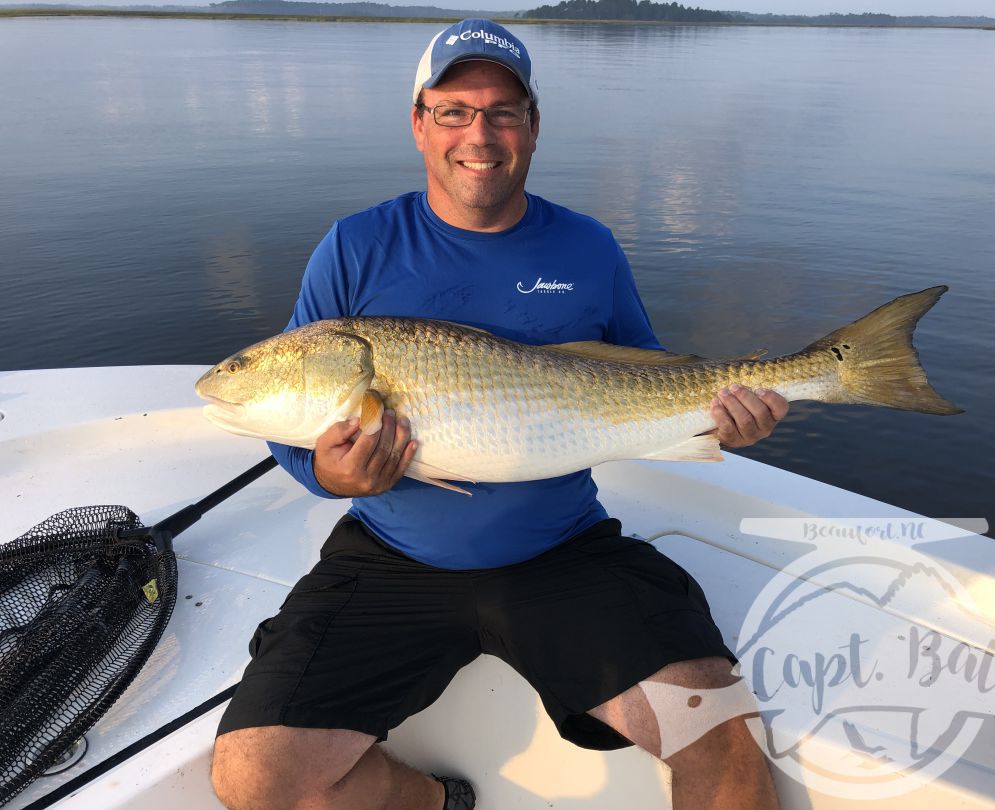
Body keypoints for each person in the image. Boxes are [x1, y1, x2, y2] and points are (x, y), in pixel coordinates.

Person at [211, 19, 786, 810]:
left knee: (724, 739)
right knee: (253, 778)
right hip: (391, 559)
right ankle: (439, 802)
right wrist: (329, 473)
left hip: (564, 551)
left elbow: (654, 378)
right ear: (419, 123)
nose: (478, 135)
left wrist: (719, 418)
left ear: (533, 127)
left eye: (502, 112)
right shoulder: (353, 248)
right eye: (454, 110)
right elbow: (294, 434)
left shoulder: (588, 246)